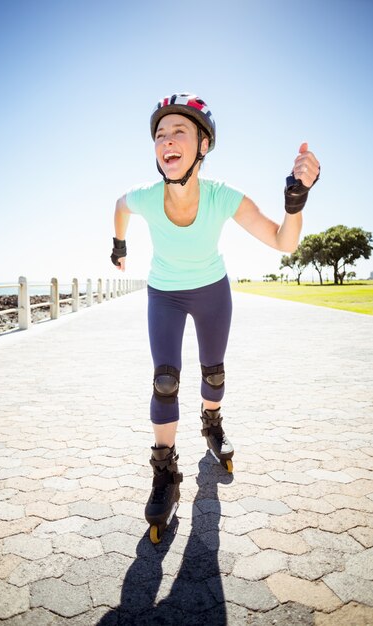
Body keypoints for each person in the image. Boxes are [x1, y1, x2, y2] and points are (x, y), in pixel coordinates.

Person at [110, 93, 320, 542]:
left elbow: (285, 243)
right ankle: (165, 472)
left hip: (211, 291)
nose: (167, 140)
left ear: (203, 145)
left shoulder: (223, 197)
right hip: (164, 293)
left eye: (179, 131)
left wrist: (296, 200)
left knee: (214, 374)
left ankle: (212, 422)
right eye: (160, 134)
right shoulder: (146, 197)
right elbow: (120, 207)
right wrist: (119, 245)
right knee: (164, 379)